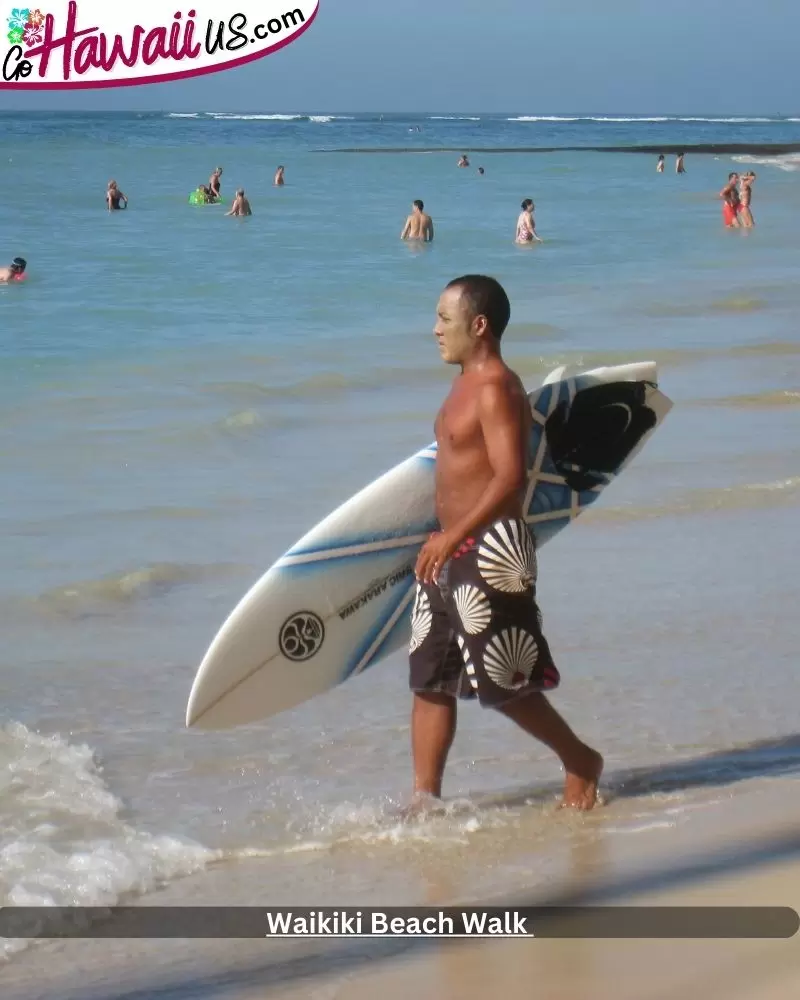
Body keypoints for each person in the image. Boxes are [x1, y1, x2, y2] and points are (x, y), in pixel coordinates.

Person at [408, 275, 603, 810]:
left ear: (479, 325)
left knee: (505, 681)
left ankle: (581, 761)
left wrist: (453, 536)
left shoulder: (495, 386)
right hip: (446, 548)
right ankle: (424, 802)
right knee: (430, 679)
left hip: (487, 549)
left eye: (444, 320)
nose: (434, 330)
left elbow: (509, 478)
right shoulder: (462, 381)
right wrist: (438, 536)